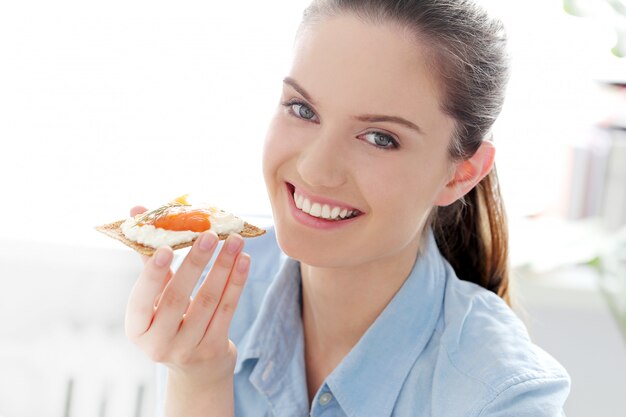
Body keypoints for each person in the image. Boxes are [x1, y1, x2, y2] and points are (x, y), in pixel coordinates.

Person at [125, 0, 571, 416]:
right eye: (302, 109)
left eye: (380, 137)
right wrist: (197, 378)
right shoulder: (212, 299)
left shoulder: (502, 396)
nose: (316, 170)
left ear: (461, 173)